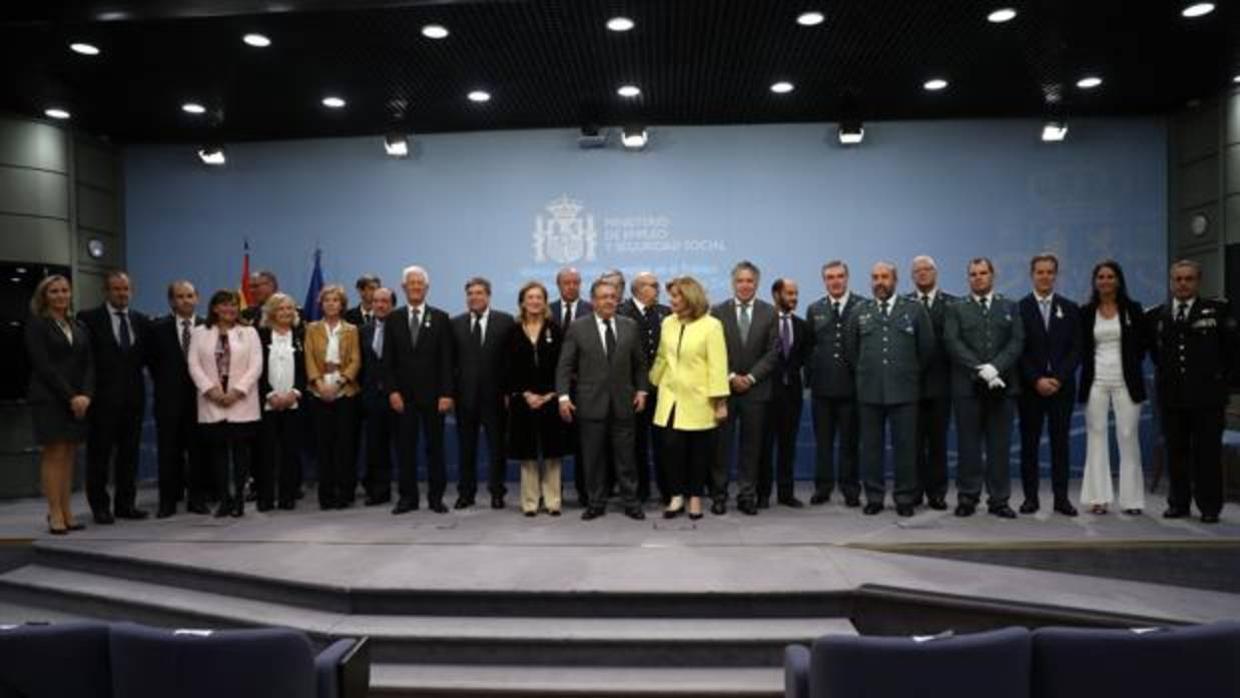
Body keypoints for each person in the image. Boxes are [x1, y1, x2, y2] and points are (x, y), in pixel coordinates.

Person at [1148, 260, 1239, 524]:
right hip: (1172, 397)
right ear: (1171, 282)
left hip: (1207, 398)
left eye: (1188, 279)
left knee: (1207, 454)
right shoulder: (1157, 315)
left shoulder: (1218, 310)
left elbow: (1233, 352)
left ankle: (1209, 507)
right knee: (1177, 452)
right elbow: (1157, 354)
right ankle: (1179, 503)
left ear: (1198, 282)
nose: (1183, 284)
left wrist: (1222, 384)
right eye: (1178, 279)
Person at [556, 278, 649, 520]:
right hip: (590, 404)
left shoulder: (629, 325)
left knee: (626, 458)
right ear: (593, 301)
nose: (609, 300)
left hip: (624, 403)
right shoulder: (578, 327)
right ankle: (595, 502)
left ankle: (631, 502)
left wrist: (642, 390)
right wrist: (563, 397)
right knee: (593, 458)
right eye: (603, 297)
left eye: (612, 296)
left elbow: (640, 364)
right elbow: (565, 366)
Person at [846, 262, 934, 517]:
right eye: (875, 277)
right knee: (871, 448)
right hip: (870, 390)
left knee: (906, 448)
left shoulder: (914, 310)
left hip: (904, 391)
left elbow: (926, 350)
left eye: (884, 277)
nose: (879, 282)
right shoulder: (859, 311)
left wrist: (906, 373)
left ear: (895, 280)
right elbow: (853, 352)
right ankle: (874, 496)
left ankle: (905, 497)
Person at [944, 257, 1024, 518]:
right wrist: (981, 369)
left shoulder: (1009, 307)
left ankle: (999, 500)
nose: (977, 277)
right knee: (968, 446)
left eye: (982, 273)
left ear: (992, 275)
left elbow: (1017, 341)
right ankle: (968, 497)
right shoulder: (956, 308)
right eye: (973, 274)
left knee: (999, 447)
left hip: (1002, 387)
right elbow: (952, 342)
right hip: (968, 388)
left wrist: (996, 368)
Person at [649, 276, 730, 520]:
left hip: (699, 400)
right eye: (671, 295)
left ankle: (694, 498)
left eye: (676, 296)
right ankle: (676, 497)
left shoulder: (711, 325)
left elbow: (718, 366)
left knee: (698, 452)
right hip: (669, 400)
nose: (671, 300)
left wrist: (720, 402)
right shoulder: (668, 323)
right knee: (671, 450)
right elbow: (663, 357)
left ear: (690, 298)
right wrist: (651, 381)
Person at [78, 270, 151, 524]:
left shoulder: (141, 321)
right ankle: (100, 507)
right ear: (106, 292)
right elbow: (83, 361)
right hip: (100, 401)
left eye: (126, 289)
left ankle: (125, 505)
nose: (122, 293)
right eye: (116, 289)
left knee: (129, 456)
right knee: (99, 456)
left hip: (133, 401)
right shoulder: (88, 319)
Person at [25, 275, 93, 534]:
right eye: (54, 291)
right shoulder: (37, 325)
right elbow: (44, 367)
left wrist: (86, 394)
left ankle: (66, 511)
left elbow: (89, 365)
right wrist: (71, 396)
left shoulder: (78, 325)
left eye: (65, 290)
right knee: (54, 454)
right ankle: (54, 513)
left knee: (69, 455)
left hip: (78, 401)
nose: (61, 295)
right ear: (44, 296)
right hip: (50, 398)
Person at [1078, 261, 1148, 515]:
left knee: (1128, 437)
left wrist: (1127, 364)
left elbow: (1142, 346)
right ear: (1095, 282)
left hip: (1126, 383)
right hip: (1096, 382)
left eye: (1110, 276)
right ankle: (1098, 498)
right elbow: (1082, 348)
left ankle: (1132, 501)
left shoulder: (1133, 309)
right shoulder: (1086, 312)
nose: (1105, 281)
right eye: (1100, 277)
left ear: (1118, 280)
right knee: (1096, 437)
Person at [384, 265, 455, 515]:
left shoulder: (440, 318)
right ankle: (407, 498)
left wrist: (447, 393)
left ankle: (436, 498)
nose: (415, 287)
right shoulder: (393, 319)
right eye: (411, 283)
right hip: (402, 398)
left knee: (435, 449)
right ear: (404, 288)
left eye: (419, 283)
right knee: (405, 449)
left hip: (435, 397)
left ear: (426, 288)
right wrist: (392, 392)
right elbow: (388, 361)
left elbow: (447, 360)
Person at [711, 260, 779, 516]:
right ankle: (719, 495)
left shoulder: (769, 312)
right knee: (721, 447)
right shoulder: (717, 312)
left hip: (756, 391)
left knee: (751, 448)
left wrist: (749, 378)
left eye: (749, 281)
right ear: (733, 283)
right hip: (724, 391)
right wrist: (730, 377)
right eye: (740, 280)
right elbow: (714, 352)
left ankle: (746, 496)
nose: (745, 285)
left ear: (757, 284)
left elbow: (773, 353)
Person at [186, 290, 263, 518]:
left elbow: (256, 365)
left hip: (242, 402)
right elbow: (193, 364)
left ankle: (239, 499)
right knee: (218, 454)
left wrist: (238, 391)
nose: (230, 309)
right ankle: (224, 500)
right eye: (225, 305)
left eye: (233, 305)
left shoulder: (249, 332)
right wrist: (210, 390)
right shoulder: (200, 332)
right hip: (212, 401)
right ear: (215, 308)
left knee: (241, 454)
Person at [1017, 253, 1082, 517]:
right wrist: (1036, 379)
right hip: (1030, 389)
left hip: (1061, 388)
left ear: (1056, 275)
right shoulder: (1019, 308)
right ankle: (1030, 499)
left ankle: (1061, 499)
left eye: (1049, 272)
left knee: (1060, 445)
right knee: (1029, 446)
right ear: (1032, 275)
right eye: (1040, 272)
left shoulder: (1070, 308)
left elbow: (1076, 349)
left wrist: (1058, 378)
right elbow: (1017, 350)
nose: (1045, 277)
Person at [451, 277, 515, 509]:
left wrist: (509, 392)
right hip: (464, 398)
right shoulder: (455, 323)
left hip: (496, 398)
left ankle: (497, 492)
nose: (474, 297)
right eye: (470, 293)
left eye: (479, 293)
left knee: (497, 449)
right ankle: (465, 493)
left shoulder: (505, 322)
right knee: (466, 449)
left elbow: (510, 362)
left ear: (488, 296)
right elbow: (450, 363)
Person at [146, 280, 208, 518]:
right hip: (168, 402)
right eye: (180, 296)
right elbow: (151, 363)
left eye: (190, 295)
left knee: (198, 453)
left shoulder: (207, 327)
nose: (186, 300)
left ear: (197, 298)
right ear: (172, 301)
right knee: (168, 454)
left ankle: (197, 500)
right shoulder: (157, 328)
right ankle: (167, 502)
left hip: (200, 401)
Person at [806, 260, 865, 507]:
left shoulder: (863, 306)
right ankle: (823, 488)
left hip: (852, 388)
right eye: (830, 277)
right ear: (824, 281)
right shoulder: (815, 308)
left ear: (847, 277)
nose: (835, 281)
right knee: (823, 444)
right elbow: (809, 349)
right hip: (822, 389)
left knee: (850, 443)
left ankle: (850, 489)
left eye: (840, 276)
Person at [505, 281, 567, 516]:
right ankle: (530, 503)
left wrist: (552, 393)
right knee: (528, 454)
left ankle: (553, 502)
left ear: (544, 302)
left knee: (552, 453)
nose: (534, 301)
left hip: (551, 399)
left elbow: (564, 365)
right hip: (524, 400)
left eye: (539, 297)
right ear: (522, 302)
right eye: (530, 297)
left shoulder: (555, 329)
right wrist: (525, 394)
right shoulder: (512, 331)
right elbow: (508, 368)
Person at [304, 284, 361, 510]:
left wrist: (339, 382)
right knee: (323, 446)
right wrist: (319, 384)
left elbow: (356, 360)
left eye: (335, 300)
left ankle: (345, 493)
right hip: (319, 392)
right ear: (321, 304)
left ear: (342, 304)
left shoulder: (351, 329)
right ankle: (325, 495)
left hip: (345, 392)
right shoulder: (311, 328)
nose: (330, 304)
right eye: (326, 300)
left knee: (345, 446)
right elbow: (308, 358)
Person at [618, 271, 671, 505]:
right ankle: (639, 491)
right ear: (638, 289)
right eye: (652, 286)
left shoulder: (665, 313)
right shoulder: (621, 312)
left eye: (657, 286)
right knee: (635, 443)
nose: (656, 290)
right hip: (632, 390)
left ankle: (667, 490)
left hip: (661, 389)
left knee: (664, 442)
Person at [907, 255, 956, 510]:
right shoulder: (903, 304)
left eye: (927, 269)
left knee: (938, 443)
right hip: (910, 387)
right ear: (912, 276)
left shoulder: (952, 304)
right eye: (918, 270)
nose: (923, 273)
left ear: (935, 273)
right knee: (912, 443)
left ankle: (937, 493)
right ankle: (913, 492)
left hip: (940, 385)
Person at [760, 278, 811, 508]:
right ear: (776, 295)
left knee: (788, 446)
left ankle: (786, 493)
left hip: (793, 396)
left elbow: (805, 357)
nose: (794, 298)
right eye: (789, 293)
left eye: (796, 293)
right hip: (767, 394)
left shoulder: (803, 326)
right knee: (765, 445)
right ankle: (762, 494)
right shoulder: (763, 323)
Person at [257, 292, 306, 511]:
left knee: (290, 452)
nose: (286, 312)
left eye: (290, 308)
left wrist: (294, 392)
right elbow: (254, 369)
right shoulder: (260, 335)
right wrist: (270, 395)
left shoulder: (301, 334)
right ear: (271, 311)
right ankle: (265, 498)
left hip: (293, 402)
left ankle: (288, 496)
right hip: (267, 403)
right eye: (281, 308)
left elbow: (306, 368)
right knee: (265, 453)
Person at [549, 266, 593, 507]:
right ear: (559, 285)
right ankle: (555, 493)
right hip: (554, 389)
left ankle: (585, 492)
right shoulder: (547, 310)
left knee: (583, 444)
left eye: (576, 282)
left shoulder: (591, 309)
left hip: (585, 388)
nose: (572, 286)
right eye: (567, 282)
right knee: (555, 443)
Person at [359, 287, 397, 505]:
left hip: (397, 396)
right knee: (375, 446)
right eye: (376, 301)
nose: (380, 305)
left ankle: (405, 490)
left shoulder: (401, 328)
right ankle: (377, 492)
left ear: (392, 305)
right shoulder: (362, 330)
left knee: (401, 446)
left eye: (385, 301)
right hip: (371, 397)